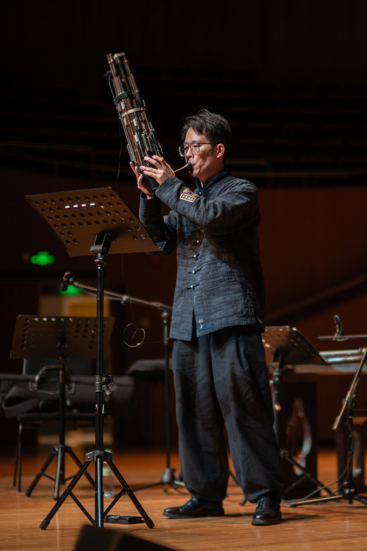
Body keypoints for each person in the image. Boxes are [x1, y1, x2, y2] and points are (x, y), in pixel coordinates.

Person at [132, 109, 283, 526]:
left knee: (245, 407)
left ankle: (265, 495)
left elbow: (211, 216)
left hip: (231, 314)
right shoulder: (184, 195)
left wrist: (170, 186)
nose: (188, 154)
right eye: (185, 147)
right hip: (188, 318)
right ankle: (204, 494)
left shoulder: (241, 191)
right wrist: (150, 197)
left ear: (218, 150)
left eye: (195, 146)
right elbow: (160, 242)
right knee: (193, 411)